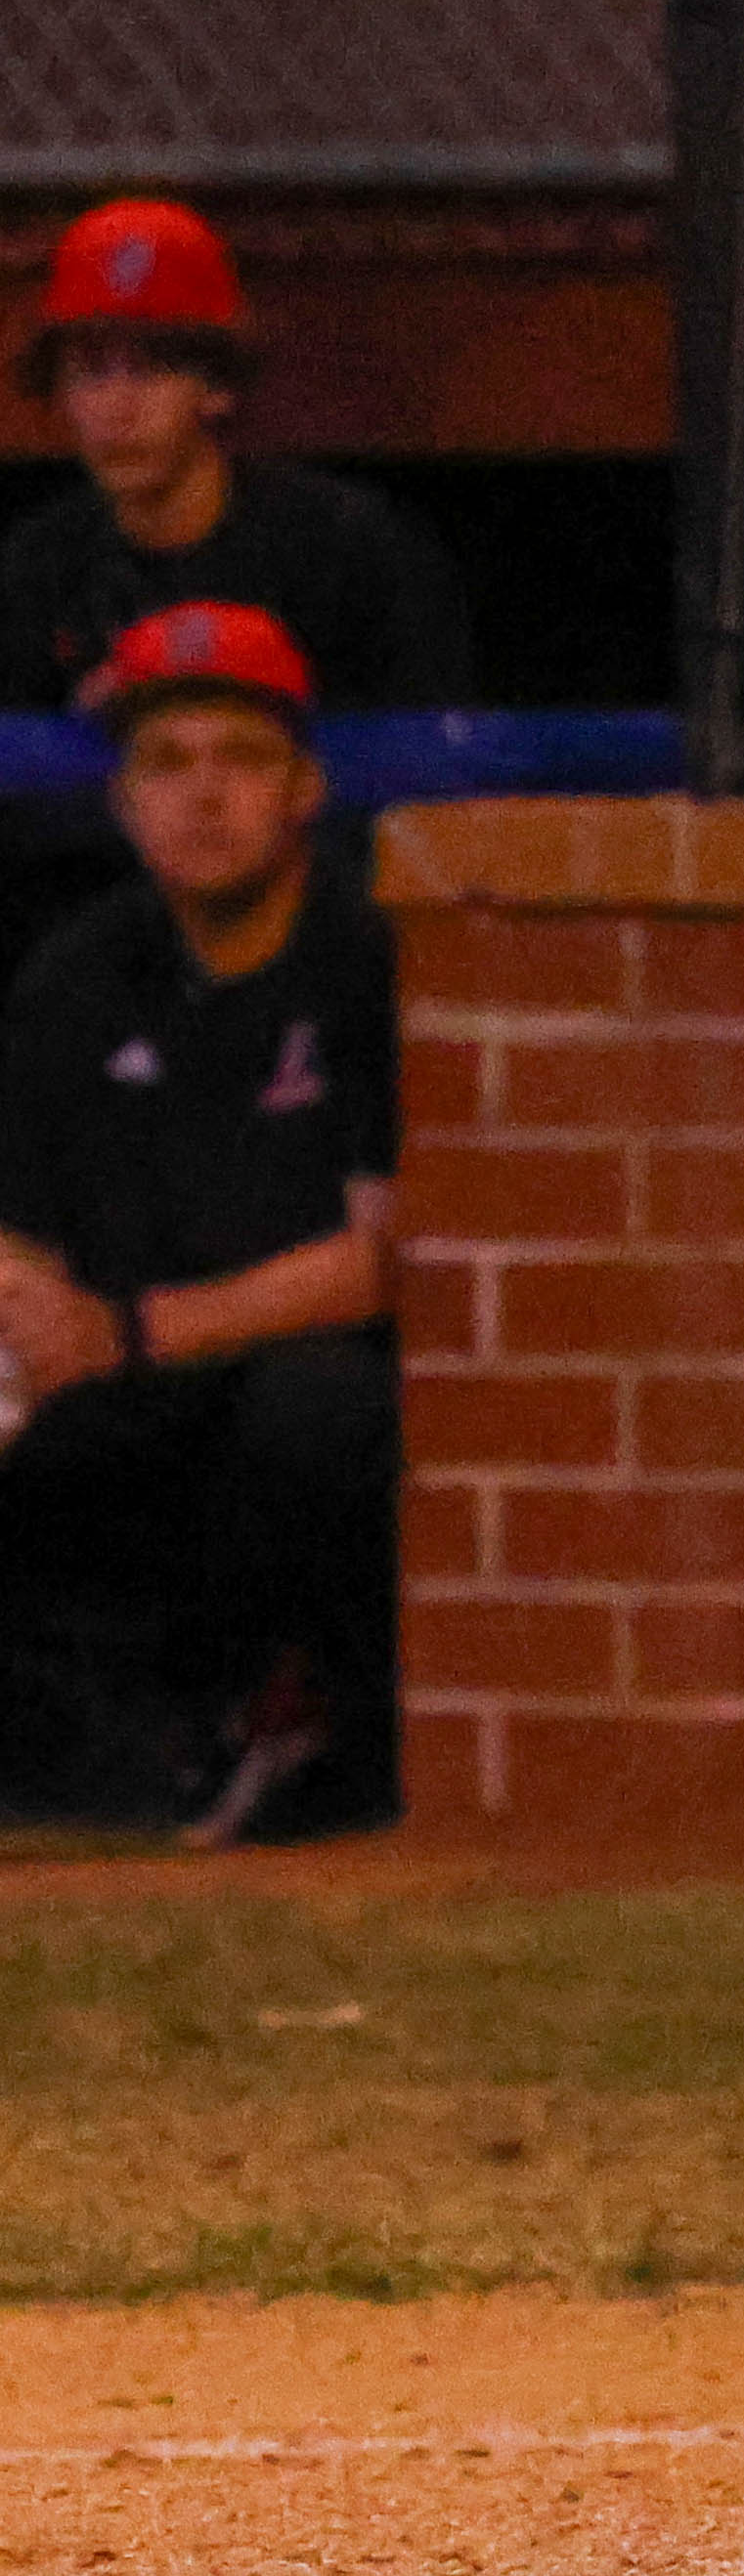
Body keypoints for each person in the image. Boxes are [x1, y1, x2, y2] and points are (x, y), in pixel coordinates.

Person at [0, 604, 403, 1847]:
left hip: (302, 1381)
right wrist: (34, 1320)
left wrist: (130, 1330)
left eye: (239, 756)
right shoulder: (77, 971)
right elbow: (18, 1231)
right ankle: (119, 1747)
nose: (203, 794)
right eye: (167, 764)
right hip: (127, 1383)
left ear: (305, 787)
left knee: (316, 1415)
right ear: (121, 803)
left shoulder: (367, 957)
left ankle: (315, 1728)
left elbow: (385, 1259)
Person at [0, 198, 473, 716]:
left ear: (218, 385)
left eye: (152, 370)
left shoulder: (347, 549)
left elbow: (429, 760)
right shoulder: (35, 569)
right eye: (89, 373)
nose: (116, 408)